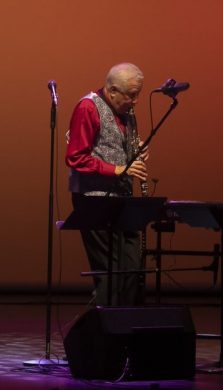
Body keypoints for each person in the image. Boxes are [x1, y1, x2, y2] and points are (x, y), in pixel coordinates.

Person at [65, 62, 148, 306]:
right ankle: (99, 334)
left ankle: (126, 330)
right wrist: (118, 169)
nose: (135, 102)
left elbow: (117, 145)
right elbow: (75, 157)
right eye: (131, 95)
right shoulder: (88, 107)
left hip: (122, 198)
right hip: (94, 199)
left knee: (132, 270)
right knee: (110, 274)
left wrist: (136, 151)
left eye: (138, 95)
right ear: (112, 91)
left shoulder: (127, 112)